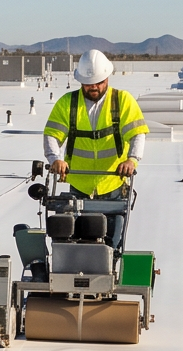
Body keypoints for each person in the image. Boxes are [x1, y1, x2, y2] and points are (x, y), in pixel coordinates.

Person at [43, 49, 147, 250]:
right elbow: (51, 135)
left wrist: (132, 160)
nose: (95, 87)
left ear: (107, 77)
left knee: (112, 243)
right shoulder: (68, 103)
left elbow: (137, 133)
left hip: (113, 185)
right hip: (79, 185)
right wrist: (55, 158)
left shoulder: (122, 101)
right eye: (90, 84)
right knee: (76, 239)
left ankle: (111, 268)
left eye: (99, 82)